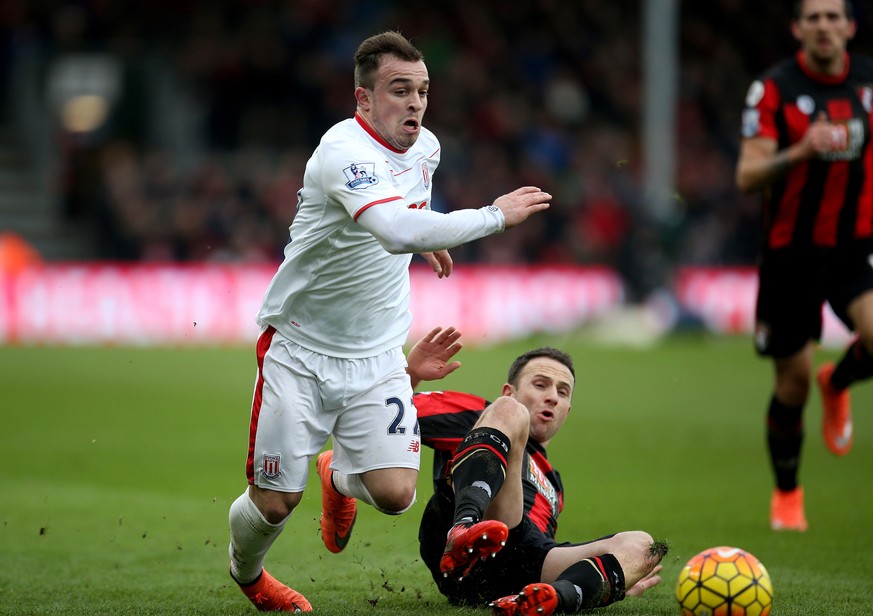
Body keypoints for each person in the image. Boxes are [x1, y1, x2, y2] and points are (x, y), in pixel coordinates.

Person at [226, 31, 551, 612]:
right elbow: (393, 226)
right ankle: (248, 573)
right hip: (299, 348)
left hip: (378, 355)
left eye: (423, 91)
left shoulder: (426, 147)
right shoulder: (342, 152)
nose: (416, 103)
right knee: (275, 503)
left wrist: (424, 236)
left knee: (397, 494)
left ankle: (336, 474)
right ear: (363, 100)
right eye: (400, 91)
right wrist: (493, 217)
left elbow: (407, 214)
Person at [403, 326, 667, 616]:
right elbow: (383, 416)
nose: (552, 396)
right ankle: (464, 527)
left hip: (524, 562)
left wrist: (604, 578)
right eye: (540, 385)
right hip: (461, 544)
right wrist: (410, 375)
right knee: (510, 412)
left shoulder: (554, 483)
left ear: (567, 410)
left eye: (562, 392)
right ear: (510, 390)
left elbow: (537, 546)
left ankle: (554, 598)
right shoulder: (481, 413)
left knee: (645, 546)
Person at [735, 0, 873, 532]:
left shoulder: (867, 83)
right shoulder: (772, 89)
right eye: (812, 17)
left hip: (855, 246)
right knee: (791, 385)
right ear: (796, 27)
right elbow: (748, 177)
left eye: (833, 16)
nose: (823, 25)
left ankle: (837, 382)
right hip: (790, 254)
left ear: (850, 26)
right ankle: (788, 493)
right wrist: (799, 152)